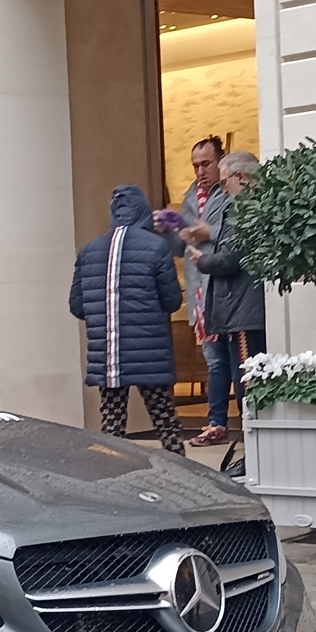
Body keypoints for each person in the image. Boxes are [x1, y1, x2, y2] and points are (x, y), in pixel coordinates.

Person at [69, 184, 184, 448]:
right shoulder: (156, 247)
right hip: (149, 353)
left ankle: (113, 481)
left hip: (108, 356)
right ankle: (185, 478)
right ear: (143, 210)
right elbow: (172, 300)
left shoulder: (88, 252)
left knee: (112, 428)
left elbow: (77, 305)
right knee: (165, 424)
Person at [183, 150, 267, 445]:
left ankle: (253, 449)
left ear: (241, 177)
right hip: (244, 306)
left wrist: (201, 261)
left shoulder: (242, 207)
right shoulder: (257, 204)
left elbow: (231, 258)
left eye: (226, 182)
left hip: (242, 308)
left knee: (247, 380)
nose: (223, 190)